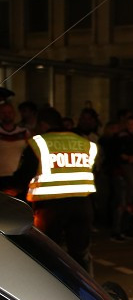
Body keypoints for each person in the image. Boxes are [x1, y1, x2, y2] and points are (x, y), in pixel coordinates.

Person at [16, 106, 97, 270]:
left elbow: (23, 176)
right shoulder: (84, 143)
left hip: (50, 208)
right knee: (79, 255)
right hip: (82, 206)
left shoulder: (39, 143)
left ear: (44, 124)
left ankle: (51, 290)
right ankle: (82, 291)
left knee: (48, 254)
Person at [0, 98, 28, 196]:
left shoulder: (24, 132)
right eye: (4, 112)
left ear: (14, 114)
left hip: (18, 177)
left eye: (9, 112)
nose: (7, 115)